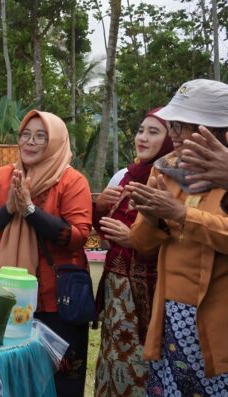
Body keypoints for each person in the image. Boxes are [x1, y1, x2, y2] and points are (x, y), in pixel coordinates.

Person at [0, 110, 92, 396]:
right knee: (10, 378)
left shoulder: (71, 181)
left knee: (61, 380)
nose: (30, 142)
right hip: (9, 297)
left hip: (58, 300)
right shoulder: (4, 177)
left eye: (41, 136)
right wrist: (10, 209)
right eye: (25, 134)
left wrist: (30, 211)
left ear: (56, 142)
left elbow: (76, 237)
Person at [126, 79, 228, 396]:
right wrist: (155, 215)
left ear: (217, 131)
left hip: (217, 321)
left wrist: (181, 214)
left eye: (184, 126)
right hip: (172, 317)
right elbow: (142, 244)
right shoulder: (167, 171)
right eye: (173, 124)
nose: (174, 134)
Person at [92, 109, 174, 396]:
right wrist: (100, 207)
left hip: (149, 289)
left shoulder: (172, 179)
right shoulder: (125, 175)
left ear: (169, 140)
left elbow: (177, 235)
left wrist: (135, 239)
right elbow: (104, 231)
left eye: (154, 132)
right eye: (141, 130)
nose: (143, 137)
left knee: (143, 362)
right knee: (113, 356)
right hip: (116, 287)